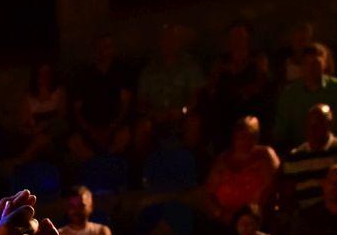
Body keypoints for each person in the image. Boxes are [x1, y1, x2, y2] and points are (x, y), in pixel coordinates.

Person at [136, 22, 206, 150]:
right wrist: (153, 113)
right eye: (165, 39)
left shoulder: (189, 66)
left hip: (182, 116)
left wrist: (183, 111)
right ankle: (142, 167)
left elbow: (197, 96)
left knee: (193, 124)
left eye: (172, 39)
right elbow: (141, 100)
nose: (169, 43)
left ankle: (188, 163)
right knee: (142, 127)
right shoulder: (149, 70)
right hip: (155, 117)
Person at [272, 41, 337, 150]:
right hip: (299, 152)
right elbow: (281, 132)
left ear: (325, 64)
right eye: (306, 63)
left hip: (331, 150)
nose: (311, 68)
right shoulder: (290, 94)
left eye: (316, 63)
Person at [69, 33, 137, 160]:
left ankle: (109, 163)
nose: (102, 51)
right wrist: (90, 130)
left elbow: (125, 104)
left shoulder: (122, 71)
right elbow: (77, 109)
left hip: (115, 125)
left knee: (124, 136)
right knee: (74, 142)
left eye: (106, 47)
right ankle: (95, 165)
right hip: (90, 127)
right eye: (99, 47)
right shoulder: (83, 75)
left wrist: (111, 128)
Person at [277, 103, 337, 207]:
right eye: (311, 125)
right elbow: (288, 194)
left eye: (318, 124)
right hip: (305, 216)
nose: (313, 130)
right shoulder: (295, 157)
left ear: (329, 125)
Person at [203, 115, 279, 224]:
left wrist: (251, 214)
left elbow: (272, 187)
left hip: (257, 221)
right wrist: (219, 213)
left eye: (249, 136)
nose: (244, 141)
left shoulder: (265, 156)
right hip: (225, 221)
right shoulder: (222, 160)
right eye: (240, 136)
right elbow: (208, 193)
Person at [20, 60, 70, 158]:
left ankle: (20, 160)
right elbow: (24, 124)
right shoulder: (28, 97)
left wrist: (46, 125)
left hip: (55, 134)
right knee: (40, 142)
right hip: (35, 134)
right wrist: (33, 130)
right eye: (41, 73)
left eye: (47, 73)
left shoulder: (59, 92)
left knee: (45, 139)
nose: (44, 77)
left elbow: (62, 117)